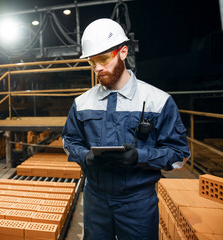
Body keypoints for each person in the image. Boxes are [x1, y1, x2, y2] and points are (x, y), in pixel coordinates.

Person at [62, 18, 191, 240]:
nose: (98, 68)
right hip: (95, 199)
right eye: (92, 62)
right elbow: (69, 141)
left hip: (137, 202)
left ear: (123, 52)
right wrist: (85, 157)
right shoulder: (82, 103)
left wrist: (139, 157)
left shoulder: (157, 102)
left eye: (103, 59)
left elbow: (179, 154)